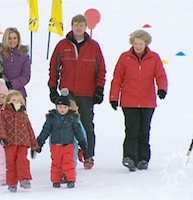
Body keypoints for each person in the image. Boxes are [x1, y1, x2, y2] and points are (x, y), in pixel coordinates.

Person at [48, 14, 106, 169]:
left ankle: (88, 155)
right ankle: (66, 155)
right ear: (71, 26)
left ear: (86, 27)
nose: (78, 27)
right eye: (76, 24)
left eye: (81, 25)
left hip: (87, 93)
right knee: (66, 124)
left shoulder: (94, 46)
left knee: (86, 124)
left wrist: (100, 88)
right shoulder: (62, 45)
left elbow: (101, 69)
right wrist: (53, 88)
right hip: (68, 92)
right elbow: (54, 66)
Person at [109, 29, 168, 172]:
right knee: (131, 130)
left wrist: (162, 89)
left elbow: (161, 75)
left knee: (144, 130)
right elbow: (117, 78)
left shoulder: (154, 58)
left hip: (147, 101)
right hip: (129, 101)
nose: (138, 46)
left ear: (146, 43)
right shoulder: (125, 57)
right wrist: (114, 97)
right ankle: (129, 157)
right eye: (135, 43)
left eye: (140, 44)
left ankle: (143, 159)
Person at [35, 88, 88, 189]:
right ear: (56, 107)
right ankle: (56, 180)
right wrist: (40, 141)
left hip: (69, 145)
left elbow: (78, 131)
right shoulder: (52, 118)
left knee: (69, 162)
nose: (62, 109)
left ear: (68, 108)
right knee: (56, 163)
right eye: (60, 107)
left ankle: (70, 179)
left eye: (64, 107)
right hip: (56, 145)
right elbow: (45, 130)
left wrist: (82, 143)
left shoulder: (73, 119)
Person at [0, 90, 39, 193]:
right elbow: (0, 127)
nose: (15, 102)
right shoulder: (4, 115)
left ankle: (24, 179)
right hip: (10, 142)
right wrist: (3, 138)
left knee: (22, 160)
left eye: (18, 100)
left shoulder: (24, 115)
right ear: (8, 102)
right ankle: (12, 182)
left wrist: (34, 145)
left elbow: (30, 130)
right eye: (13, 100)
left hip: (23, 142)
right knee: (11, 162)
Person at [0, 27, 30, 102]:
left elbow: (26, 76)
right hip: (0, 96)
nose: (12, 41)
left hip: (18, 95)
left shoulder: (24, 55)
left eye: (15, 38)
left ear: (18, 39)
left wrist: (11, 84)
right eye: (9, 38)